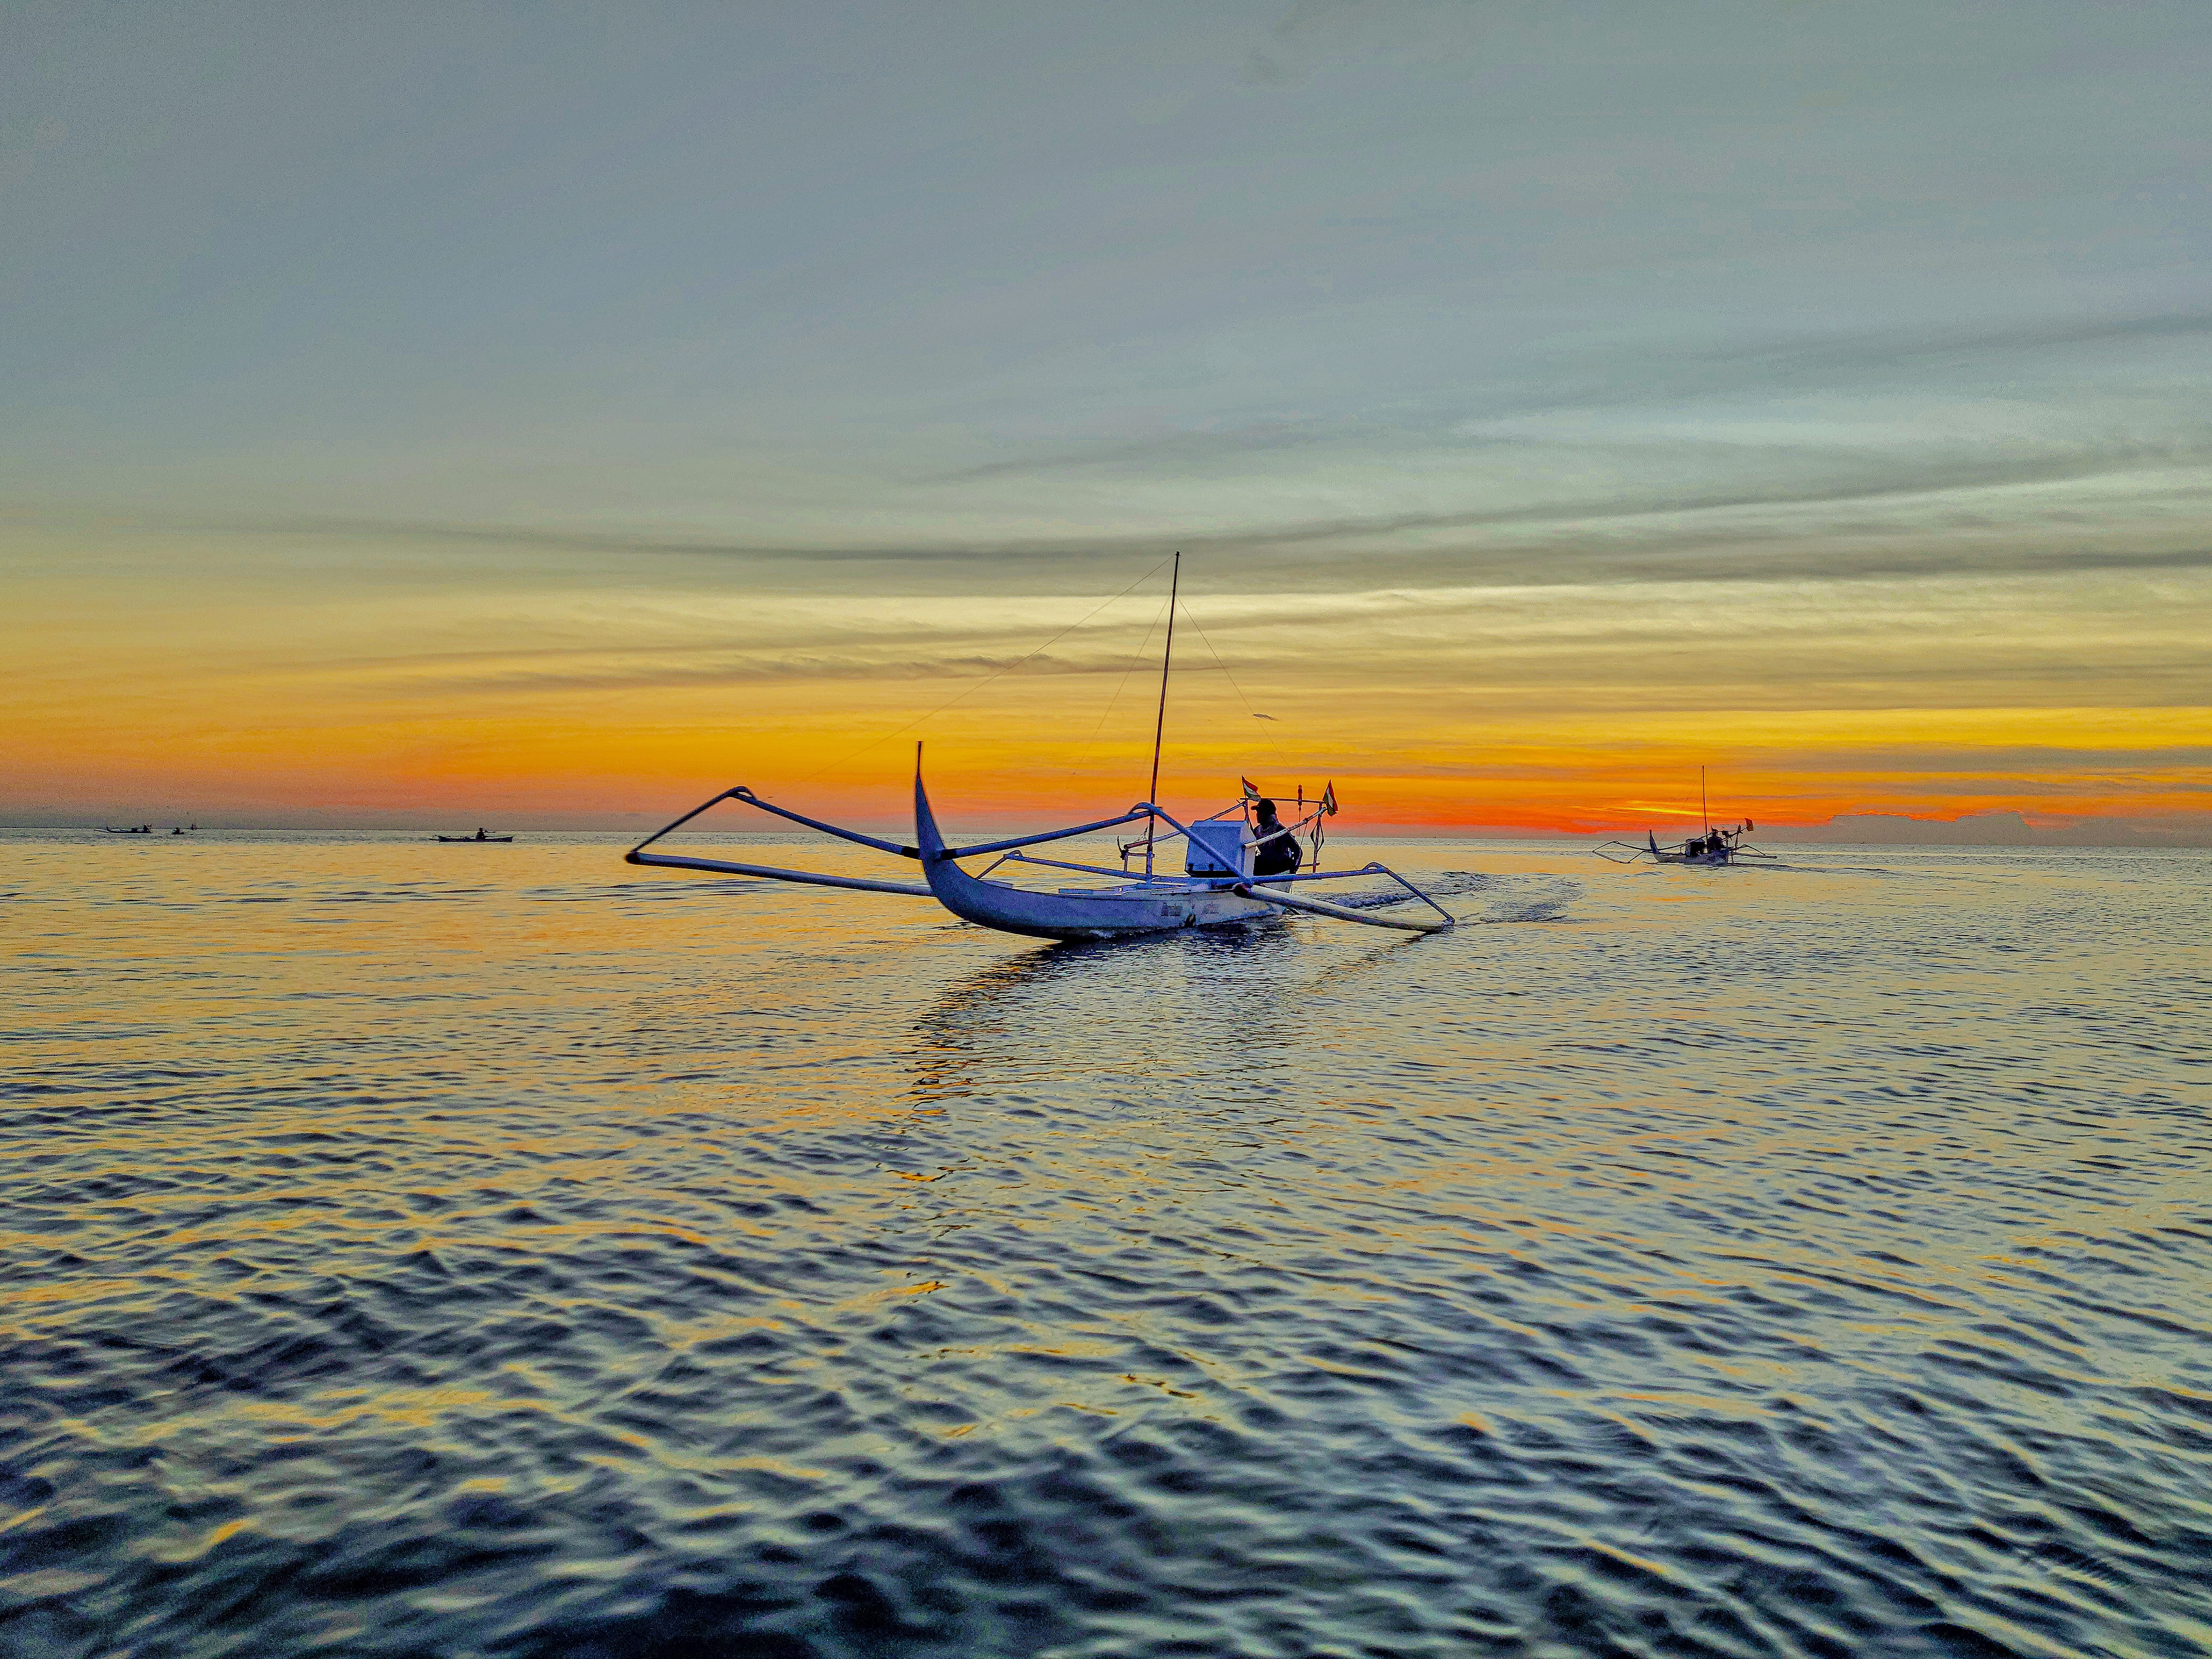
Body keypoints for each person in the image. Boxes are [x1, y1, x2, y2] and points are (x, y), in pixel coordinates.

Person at [1251, 798, 1302, 878]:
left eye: (1260, 812)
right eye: (1257, 812)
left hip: (1279, 865)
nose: (1257, 815)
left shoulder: (1280, 831)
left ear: (1268, 814)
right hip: (1266, 864)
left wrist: (1294, 869)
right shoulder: (1257, 830)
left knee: (1285, 862)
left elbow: (1298, 851)